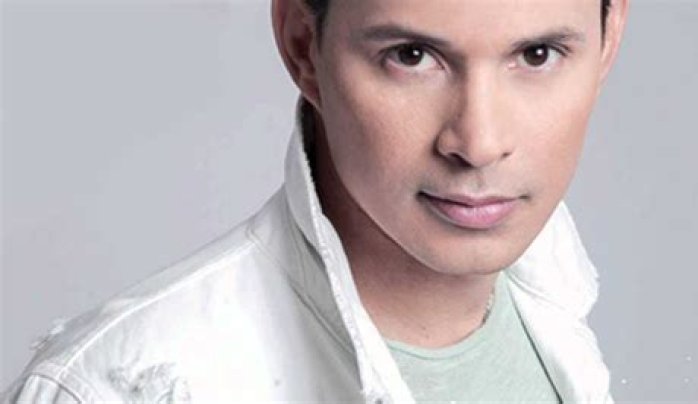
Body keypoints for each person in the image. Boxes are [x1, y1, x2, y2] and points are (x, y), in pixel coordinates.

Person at [2, 0, 628, 402]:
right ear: (304, 47)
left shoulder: (558, 308)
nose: (479, 142)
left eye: (537, 55)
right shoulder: (113, 386)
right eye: (411, 56)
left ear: (608, 40)